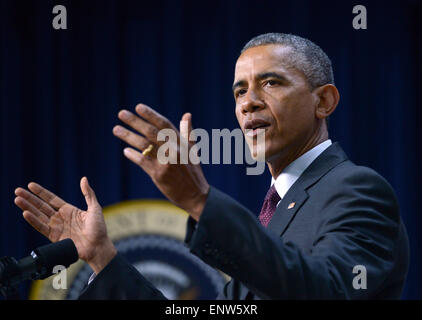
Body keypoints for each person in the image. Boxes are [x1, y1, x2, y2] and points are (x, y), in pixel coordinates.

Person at [14, 33, 409, 299]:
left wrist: (199, 199)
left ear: (323, 101)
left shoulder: (356, 189)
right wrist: (102, 257)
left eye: (271, 83)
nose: (247, 102)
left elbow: (327, 290)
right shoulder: (275, 211)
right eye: (240, 90)